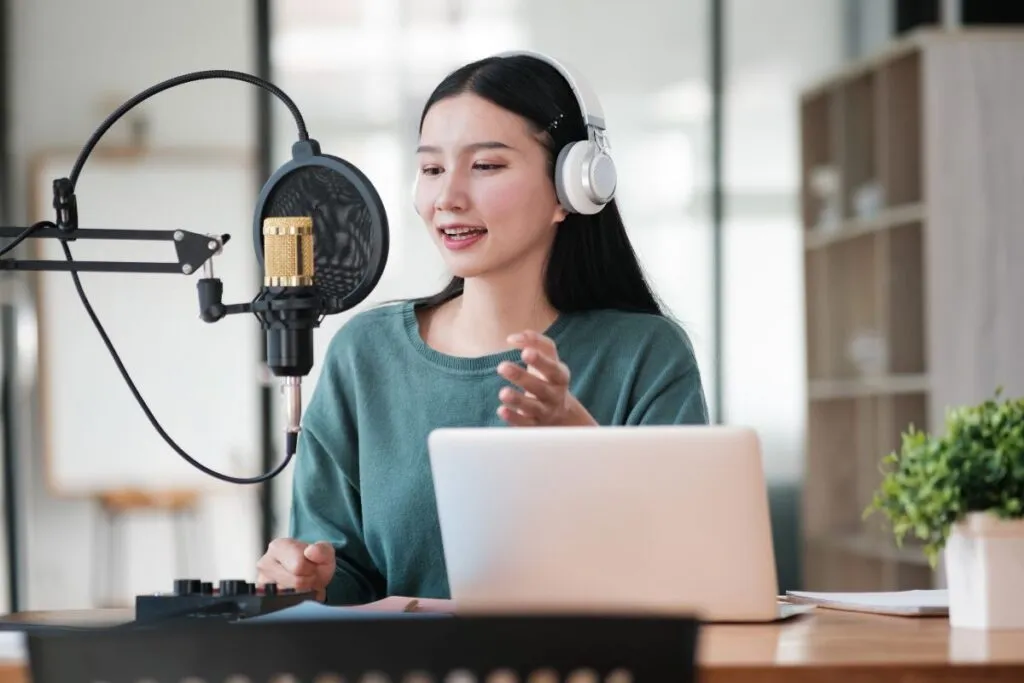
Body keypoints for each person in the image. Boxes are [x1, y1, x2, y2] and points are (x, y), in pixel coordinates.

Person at [255, 51, 709, 605]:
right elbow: (349, 573)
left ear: (574, 186)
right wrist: (312, 580)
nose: (448, 197)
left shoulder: (646, 355)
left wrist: (580, 442)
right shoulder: (365, 354)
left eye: (486, 166)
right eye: (431, 169)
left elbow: (688, 574)